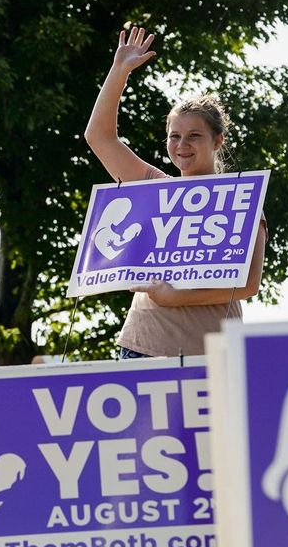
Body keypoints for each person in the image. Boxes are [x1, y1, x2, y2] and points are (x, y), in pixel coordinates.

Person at [84, 27, 267, 358]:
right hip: (141, 347)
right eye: (174, 136)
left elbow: (247, 285)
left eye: (194, 135)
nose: (182, 146)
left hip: (212, 354)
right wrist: (119, 71)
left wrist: (174, 297)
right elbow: (99, 137)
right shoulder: (154, 187)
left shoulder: (241, 199)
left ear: (218, 141)